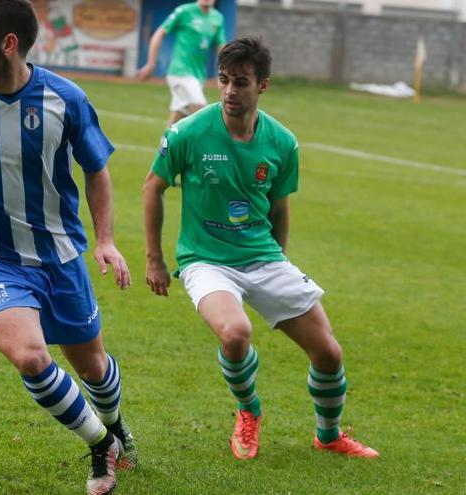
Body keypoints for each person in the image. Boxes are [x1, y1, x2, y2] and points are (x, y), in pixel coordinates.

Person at [0, 0, 136, 493]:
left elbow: (96, 168)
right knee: (32, 358)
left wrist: (106, 240)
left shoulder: (65, 98)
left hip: (59, 257)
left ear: (8, 44)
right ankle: (100, 446)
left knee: (93, 367)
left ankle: (116, 425)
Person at [143, 36, 379, 461]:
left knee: (328, 352)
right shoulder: (189, 132)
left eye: (242, 82)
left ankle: (328, 435)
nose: (231, 91)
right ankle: (249, 412)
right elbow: (152, 188)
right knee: (235, 333)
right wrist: (155, 259)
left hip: (263, 256)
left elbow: (280, 207)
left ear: (263, 86)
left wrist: (280, 261)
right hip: (206, 260)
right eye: (224, 81)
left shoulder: (282, 142)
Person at [136, 0, 225, 124]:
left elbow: (221, 46)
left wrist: (228, 69)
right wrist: (151, 64)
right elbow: (159, 34)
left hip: (198, 75)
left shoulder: (218, 18)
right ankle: (211, 143)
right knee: (200, 109)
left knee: (178, 118)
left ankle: (166, 143)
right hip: (180, 71)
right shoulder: (184, 11)